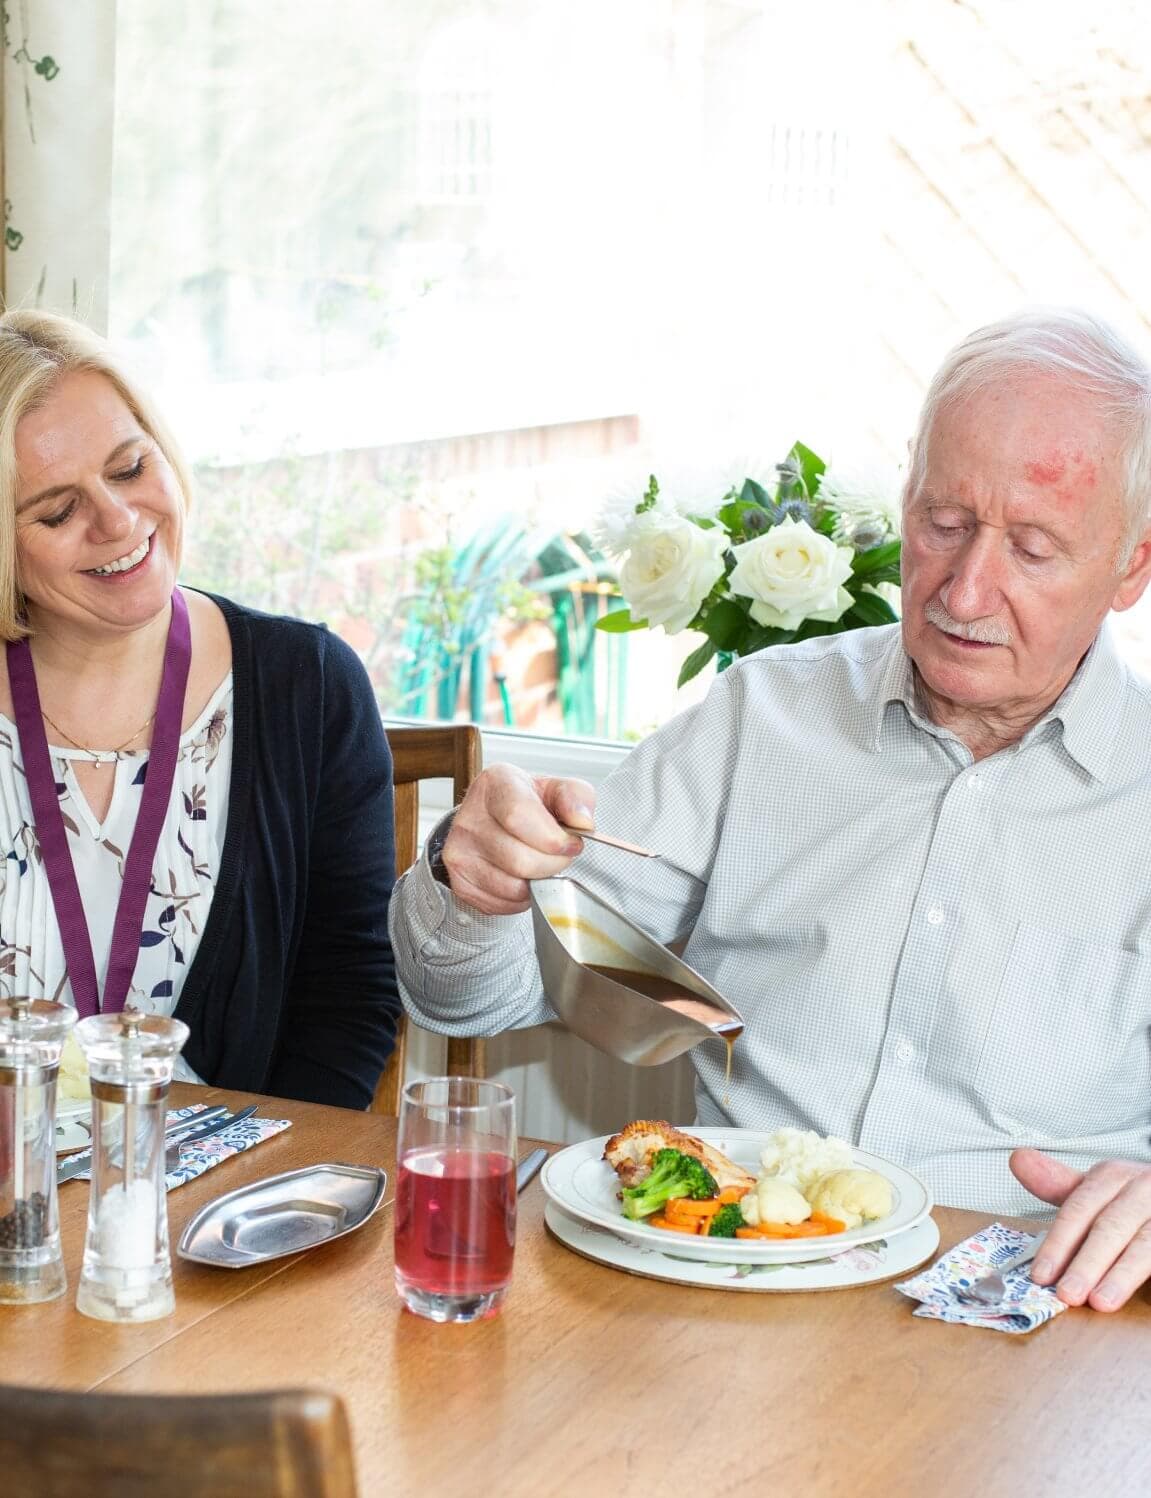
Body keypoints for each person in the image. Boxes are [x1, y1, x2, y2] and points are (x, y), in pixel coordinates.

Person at [391, 306, 1151, 1310]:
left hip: (1034, 1337)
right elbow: (470, 1001)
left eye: (1032, 548)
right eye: (943, 522)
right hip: (728, 1306)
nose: (963, 591)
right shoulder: (764, 718)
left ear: (1130, 565)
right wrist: (471, 883)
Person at [0, 309, 399, 1108]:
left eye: (129, 466)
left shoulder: (307, 685)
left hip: (221, 1206)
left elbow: (348, 997)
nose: (118, 520)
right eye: (56, 510)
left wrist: (257, 1191)